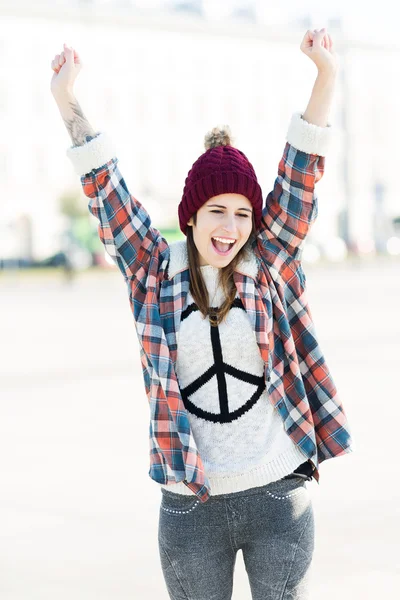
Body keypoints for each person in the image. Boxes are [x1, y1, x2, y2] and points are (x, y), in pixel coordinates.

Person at [51, 28, 354, 600]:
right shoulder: (153, 273)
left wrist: (325, 77)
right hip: (191, 507)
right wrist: (67, 98)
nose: (232, 227)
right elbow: (105, 189)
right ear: (190, 217)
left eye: (243, 213)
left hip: (278, 500)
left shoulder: (268, 264)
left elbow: (300, 176)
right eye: (217, 211)